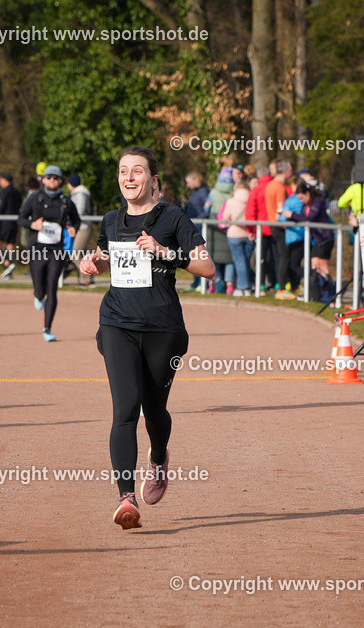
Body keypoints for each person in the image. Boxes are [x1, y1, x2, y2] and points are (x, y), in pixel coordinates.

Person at [79, 145, 214, 529]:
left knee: (153, 411)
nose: (129, 177)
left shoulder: (173, 217)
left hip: (162, 329)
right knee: (125, 410)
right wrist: (94, 262)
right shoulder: (110, 220)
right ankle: (126, 498)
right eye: (124, 171)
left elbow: (207, 267)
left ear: (153, 180)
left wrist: (164, 251)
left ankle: (158, 458)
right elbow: (108, 259)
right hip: (117, 324)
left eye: (137, 171)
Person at [18, 165, 79, 341]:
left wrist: (73, 228)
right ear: (43, 179)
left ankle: (47, 329)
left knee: (52, 287)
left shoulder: (66, 201)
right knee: (40, 289)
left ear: (60, 181)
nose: (52, 180)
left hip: (56, 250)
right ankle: (38, 295)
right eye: (49, 177)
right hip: (37, 248)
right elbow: (21, 218)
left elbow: (76, 220)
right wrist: (32, 225)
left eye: (56, 177)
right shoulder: (34, 198)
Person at [265, 159, 294, 296]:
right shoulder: (280, 187)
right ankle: (281, 287)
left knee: (279, 257)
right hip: (279, 226)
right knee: (284, 257)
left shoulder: (270, 185)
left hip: (272, 224)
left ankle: (280, 285)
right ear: (285, 171)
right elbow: (280, 209)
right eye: (291, 170)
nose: (292, 173)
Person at [220, 181, 254, 296]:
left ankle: (242, 286)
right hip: (249, 234)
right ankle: (247, 286)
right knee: (246, 262)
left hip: (234, 234)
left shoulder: (231, 201)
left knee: (239, 261)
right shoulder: (251, 199)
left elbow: (225, 217)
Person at [0, 173, 23, 279]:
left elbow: (2, 206)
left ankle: (8, 263)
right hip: (14, 221)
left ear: (5, 180)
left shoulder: (5, 192)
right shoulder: (17, 192)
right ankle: (9, 270)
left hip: (5, 222)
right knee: (10, 245)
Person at [67, 174, 95, 285]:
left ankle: (86, 278)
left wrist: (71, 217)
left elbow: (80, 210)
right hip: (79, 226)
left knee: (76, 254)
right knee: (81, 255)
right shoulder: (78, 193)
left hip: (83, 226)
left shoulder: (80, 193)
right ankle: (88, 277)